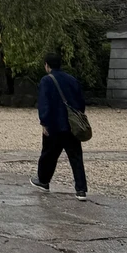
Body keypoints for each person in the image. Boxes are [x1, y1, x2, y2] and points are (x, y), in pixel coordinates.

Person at [30, 50, 88, 200]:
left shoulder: (46, 80)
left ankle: (43, 181)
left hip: (55, 125)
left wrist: (44, 122)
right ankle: (81, 189)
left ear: (47, 65)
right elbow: (81, 102)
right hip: (71, 125)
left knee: (49, 154)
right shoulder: (72, 79)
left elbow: (44, 103)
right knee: (75, 156)